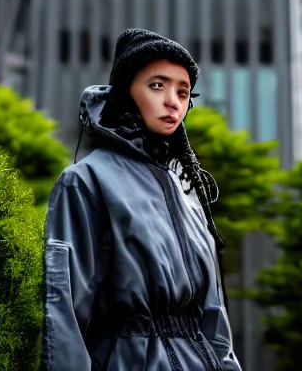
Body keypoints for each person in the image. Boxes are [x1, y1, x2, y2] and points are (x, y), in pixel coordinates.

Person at [41, 29, 241, 370]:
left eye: (183, 91)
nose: (173, 101)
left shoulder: (187, 193)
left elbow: (213, 318)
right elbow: (64, 310)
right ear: (125, 92)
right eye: (157, 85)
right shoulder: (86, 181)